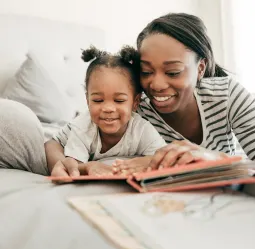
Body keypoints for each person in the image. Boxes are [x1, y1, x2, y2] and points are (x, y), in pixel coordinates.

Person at [112, 12, 255, 175]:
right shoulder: (134, 108)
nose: (157, 85)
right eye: (146, 72)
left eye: (173, 72)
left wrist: (214, 159)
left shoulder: (226, 95)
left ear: (200, 68)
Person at [45, 46, 166, 177]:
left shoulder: (142, 129)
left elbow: (163, 157)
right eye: (98, 100)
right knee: (58, 164)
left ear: (135, 102)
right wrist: (86, 167)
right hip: (58, 143)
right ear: (87, 100)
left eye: (119, 100)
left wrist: (147, 162)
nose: (108, 108)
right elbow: (75, 167)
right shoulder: (83, 127)